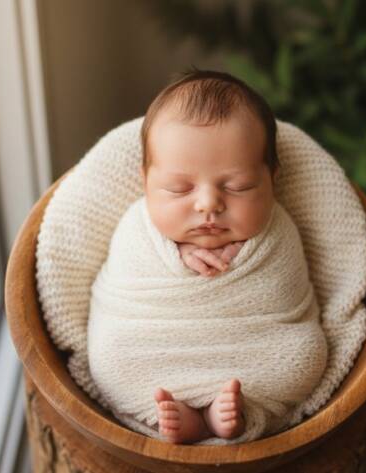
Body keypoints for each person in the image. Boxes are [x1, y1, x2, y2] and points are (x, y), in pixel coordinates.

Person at [87, 69, 327, 444]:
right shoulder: (138, 225)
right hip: (150, 343)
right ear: (145, 181)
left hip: (256, 350)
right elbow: (124, 278)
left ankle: (229, 414)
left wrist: (250, 255)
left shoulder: (279, 228)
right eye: (178, 188)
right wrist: (173, 256)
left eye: (239, 186)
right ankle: (181, 415)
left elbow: (286, 289)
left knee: (304, 356)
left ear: (272, 179)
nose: (208, 204)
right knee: (110, 355)